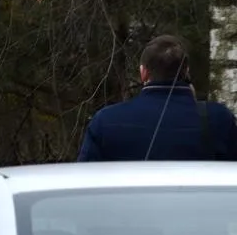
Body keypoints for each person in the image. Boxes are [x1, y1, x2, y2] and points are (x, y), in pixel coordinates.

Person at [78, 35, 237, 162]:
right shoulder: (218, 118)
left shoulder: (106, 121)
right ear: (186, 72)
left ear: (143, 73)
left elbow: (84, 184)